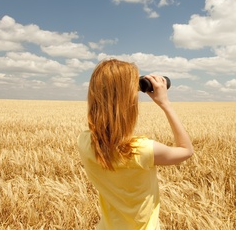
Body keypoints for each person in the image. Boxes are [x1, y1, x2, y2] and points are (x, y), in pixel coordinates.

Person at [78, 59, 194, 230]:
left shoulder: (84, 141)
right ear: (128, 101)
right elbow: (186, 150)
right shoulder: (141, 150)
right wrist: (165, 104)